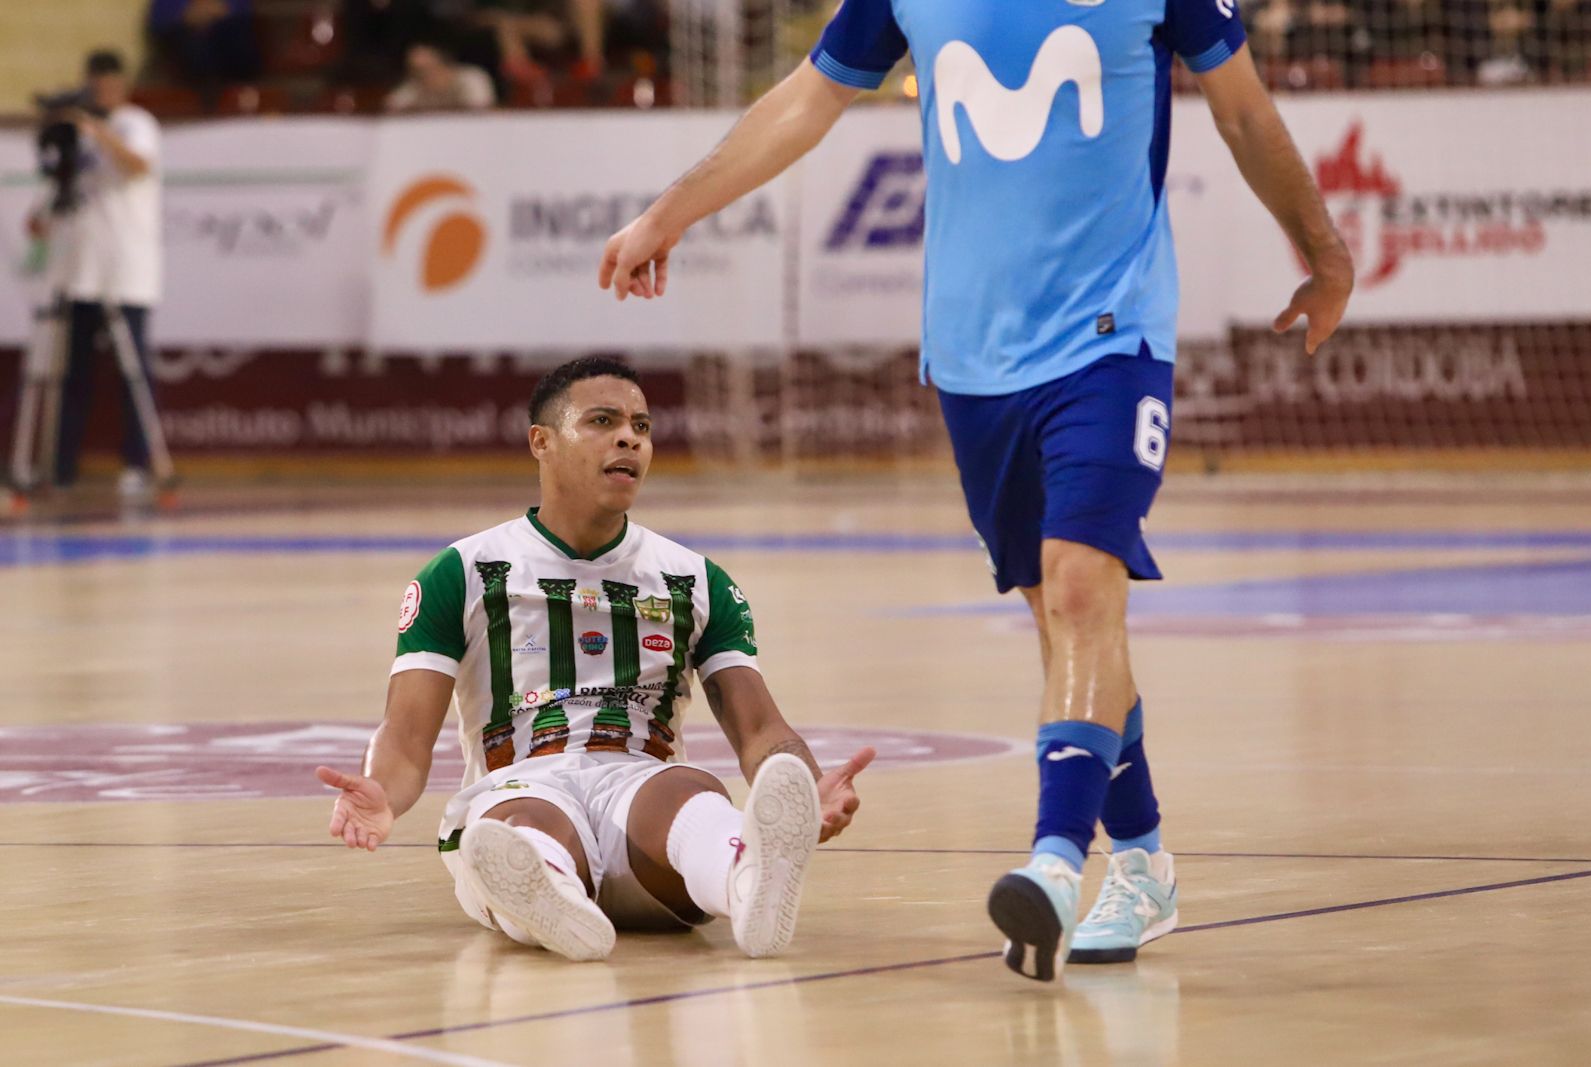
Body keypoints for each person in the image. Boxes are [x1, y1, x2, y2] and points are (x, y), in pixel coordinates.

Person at [598, 1, 1353, 978]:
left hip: (1111, 340)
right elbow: (806, 101)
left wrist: (1325, 251)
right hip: (973, 361)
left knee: (1083, 587)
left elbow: (1244, 112)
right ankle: (1141, 860)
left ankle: (1050, 860)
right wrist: (671, 212)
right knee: (1060, 619)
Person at [316, 357, 874, 960]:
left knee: (688, 791)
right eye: (602, 421)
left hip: (639, 789)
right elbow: (405, 736)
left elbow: (760, 728)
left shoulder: (694, 578)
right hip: (522, 781)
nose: (630, 437)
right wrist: (382, 792)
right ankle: (548, 892)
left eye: (642, 425)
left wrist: (804, 783)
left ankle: (747, 880)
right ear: (542, 443)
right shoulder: (464, 571)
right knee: (520, 824)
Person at [43, 50, 165, 499]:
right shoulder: (80, 135)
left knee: (133, 372)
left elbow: (138, 165)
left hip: (127, 269)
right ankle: (62, 463)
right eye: (96, 83)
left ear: (122, 84)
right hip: (84, 270)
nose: (102, 91)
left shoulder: (135, 122)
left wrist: (98, 129)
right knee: (73, 371)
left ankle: (137, 462)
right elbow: (69, 184)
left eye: (109, 83)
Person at [385, 42, 497, 111]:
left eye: (427, 68)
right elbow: (392, 106)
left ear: (443, 64)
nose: (423, 75)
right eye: (415, 70)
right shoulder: (414, 86)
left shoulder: (471, 78)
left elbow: (481, 110)